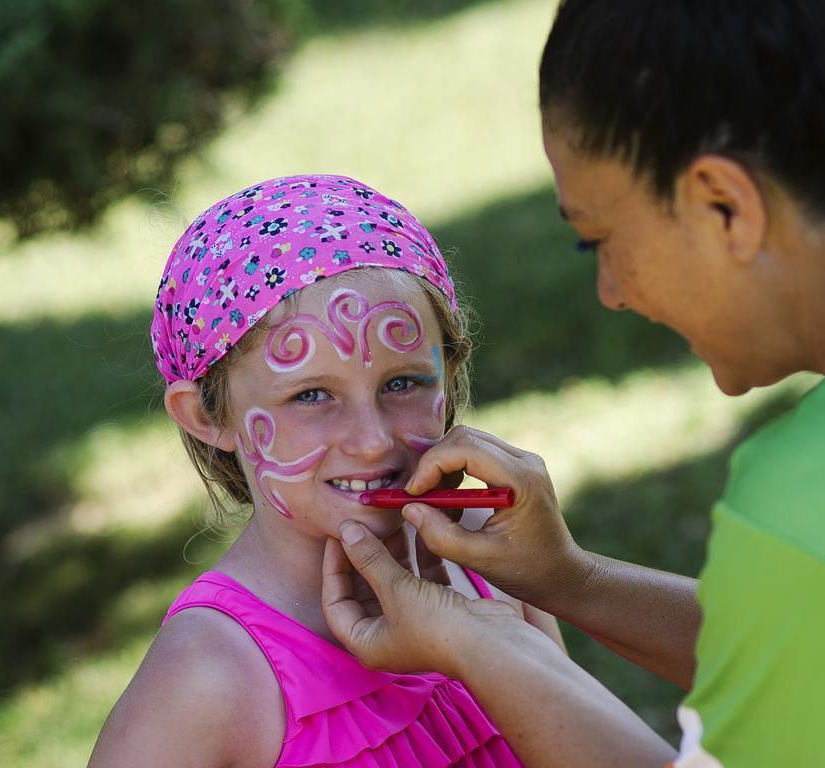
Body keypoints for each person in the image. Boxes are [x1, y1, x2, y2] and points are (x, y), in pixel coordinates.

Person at [321, 1, 825, 766]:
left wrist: (480, 646)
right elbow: (792, 648)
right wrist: (571, 580)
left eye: (600, 239)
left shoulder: (798, 510)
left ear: (724, 204)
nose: (610, 292)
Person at [88, 173, 565, 768]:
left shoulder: (488, 550)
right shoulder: (207, 679)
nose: (372, 442)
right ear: (208, 417)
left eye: (403, 382)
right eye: (312, 396)